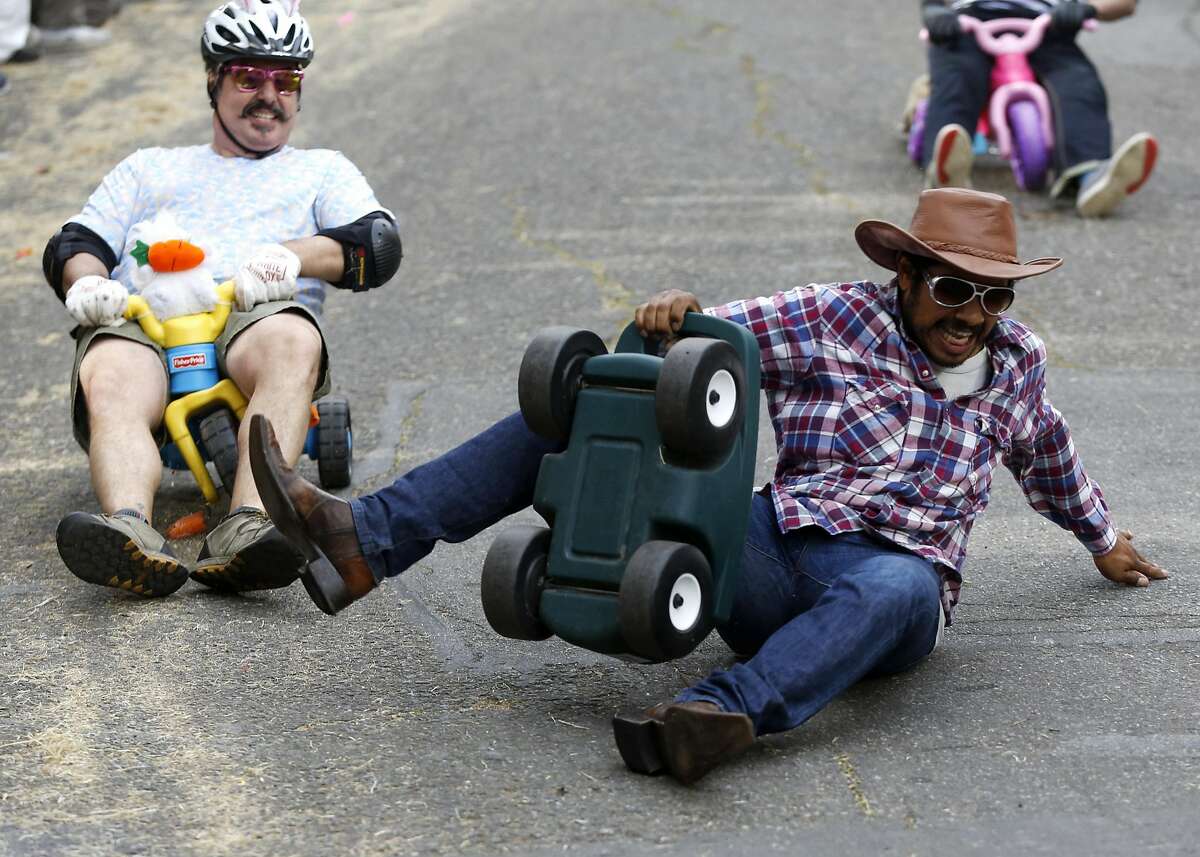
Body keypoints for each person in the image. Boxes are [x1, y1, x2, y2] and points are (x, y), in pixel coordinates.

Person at [245, 187, 1166, 784]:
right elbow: (702, 346)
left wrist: (1103, 539)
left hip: (897, 586)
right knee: (591, 406)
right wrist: (675, 314)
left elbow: (1045, 451)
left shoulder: (1018, 362)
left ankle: (719, 716)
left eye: (994, 296)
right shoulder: (836, 316)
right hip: (768, 551)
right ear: (908, 275)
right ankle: (366, 538)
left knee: (898, 583)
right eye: (954, 291)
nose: (973, 316)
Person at [45, 0, 402, 598]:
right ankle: (128, 529)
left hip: (252, 315)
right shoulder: (149, 168)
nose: (269, 95)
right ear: (214, 80)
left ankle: (250, 526)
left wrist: (291, 255)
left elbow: (376, 244)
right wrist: (85, 282)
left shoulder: (321, 171)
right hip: (148, 320)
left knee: (293, 338)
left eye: (285, 80)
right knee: (107, 365)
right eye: (249, 78)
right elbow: (76, 243)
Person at [919, 0, 1157, 217]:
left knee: (1078, 83)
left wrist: (1090, 8)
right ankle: (945, 173)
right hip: (968, 24)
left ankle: (1090, 173)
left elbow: (1125, 3)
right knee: (957, 78)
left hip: (1047, 24)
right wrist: (933, 8)